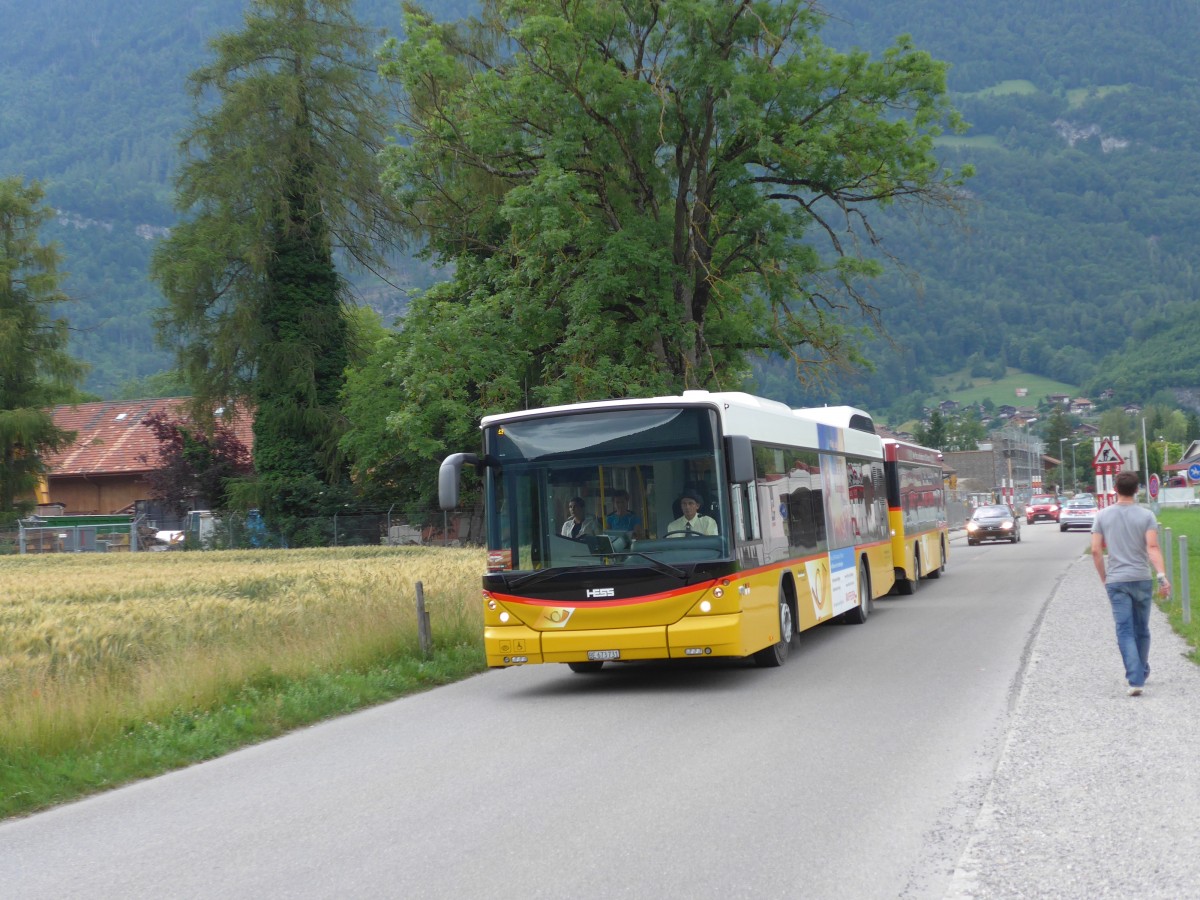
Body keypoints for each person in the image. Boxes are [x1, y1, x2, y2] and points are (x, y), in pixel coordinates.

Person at [1090, 470, 1170, 696]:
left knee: (1125, 630)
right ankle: (1141, 671)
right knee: (1142, 629)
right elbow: (1152, 548)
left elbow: (1096, 550)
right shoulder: (1147, 516)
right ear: (1137, 490)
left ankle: (1135, 678)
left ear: (1115, 489)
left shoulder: (1102, 516)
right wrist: (1162, 575)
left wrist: (1104, 578)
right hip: (1142, 578)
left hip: (1117, 580)